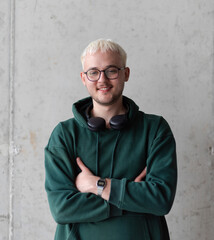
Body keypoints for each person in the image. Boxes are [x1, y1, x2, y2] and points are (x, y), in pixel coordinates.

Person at [45, 39, 177, 240]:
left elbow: (160, 199)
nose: (102, 80)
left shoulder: (155, 129)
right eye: (93, 72)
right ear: (83, 78)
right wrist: (130, 197)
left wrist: (96, 185)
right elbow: (61, 209)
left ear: (126, 74)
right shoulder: (64, 135)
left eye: (111, 70)